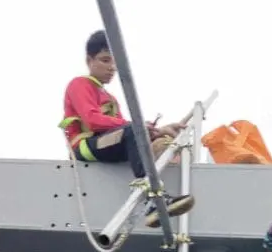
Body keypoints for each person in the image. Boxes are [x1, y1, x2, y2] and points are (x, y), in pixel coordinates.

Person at [61, 31, 195, 228]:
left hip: (105, 143)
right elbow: (92, 121)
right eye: (105, 60)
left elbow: (125, 132)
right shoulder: (80, 84)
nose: (111, 67)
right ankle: (152, 199)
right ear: (89, 60)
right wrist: (140, 126)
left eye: (114, 63)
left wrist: (159, 131)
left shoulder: (110, 98)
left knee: (147, 138)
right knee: (134, 130)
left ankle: (155, 198)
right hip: (85, 146)